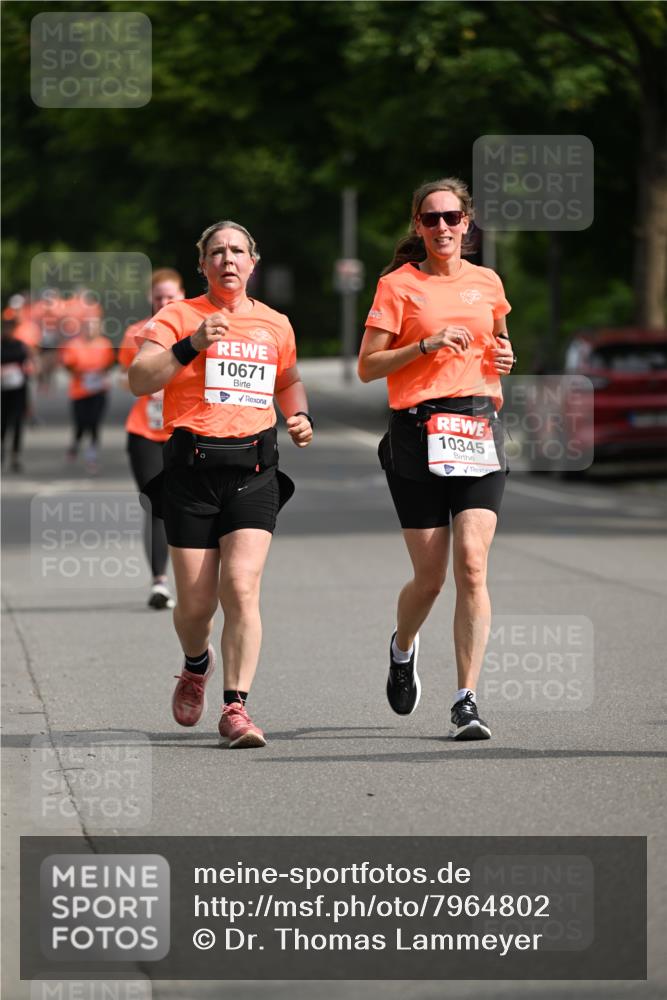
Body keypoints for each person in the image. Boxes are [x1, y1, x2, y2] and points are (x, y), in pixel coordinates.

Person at [129, 221, 313, 748]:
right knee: (194, 607)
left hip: (255, 472)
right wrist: (189, 346)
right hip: (190, 475)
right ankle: (195, 664)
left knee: (241, 587)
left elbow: (289, 381)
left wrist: (299, 417)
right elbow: (140, 379)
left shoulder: (275, 323)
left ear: (253, 261)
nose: (228, 259)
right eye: (217, 252)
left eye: (237, 251)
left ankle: (236, 708)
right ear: (202, 264)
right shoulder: (178, 316)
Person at [358, 178, 516, 741]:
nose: (442, 227)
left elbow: (499, 344)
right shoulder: (398, 286)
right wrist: (422, 346)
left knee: (472, 565)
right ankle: (402, 648)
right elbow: (368, 366)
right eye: (431, 219)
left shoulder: (487, 282)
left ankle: (466, 701)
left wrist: (504, 352)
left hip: (477, 426)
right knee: (429, 578)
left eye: (452, 217)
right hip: (417, 432)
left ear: (467, 223)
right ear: (418, 227)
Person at [118, 269, 185, 610]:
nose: (163, 302)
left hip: (183, 431)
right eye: (158, 296)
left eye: (170, 296)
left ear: (181, 296)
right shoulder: (136, 333)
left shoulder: (193, 330)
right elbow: (127, 378)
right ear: (151, 298)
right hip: (144, 432)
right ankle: (159, 582)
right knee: (155, 504)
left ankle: (197, 583)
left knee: (186, 505)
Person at [60, 310, 115, 474]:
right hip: (79, 391)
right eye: (88, 326)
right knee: (80, 423)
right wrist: (79, 371)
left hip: (99, 391)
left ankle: (92, 456)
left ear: (99, 328)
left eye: (94, 326)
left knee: (94, 422)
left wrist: (100, 372)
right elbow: (67, 365)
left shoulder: (105, 344)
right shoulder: (74, 345)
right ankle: (75, 445)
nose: (91, 329)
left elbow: (111, 363)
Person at [1, 315, 32, 471]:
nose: (8, 331)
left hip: (18, 389)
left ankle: (15, 455)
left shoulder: (20, 345)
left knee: (18, 423)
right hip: (3, 390)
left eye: (10, 328)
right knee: (3, 423)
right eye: (5, 328)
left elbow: (27, 364)